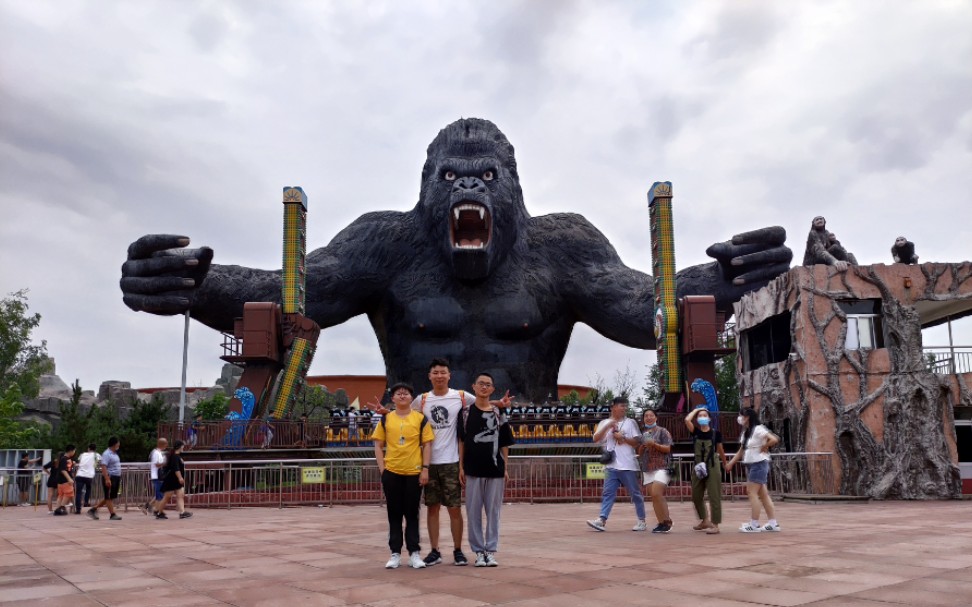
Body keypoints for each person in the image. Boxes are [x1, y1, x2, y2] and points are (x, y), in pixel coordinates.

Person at [372, 382, 434, 569]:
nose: (402, 396)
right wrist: (383, 469)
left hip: (414, 472)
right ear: (392, 398)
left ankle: (414, 553)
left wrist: (425, 469)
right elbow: (378, 444)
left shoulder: (420, 419)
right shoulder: (386, 419)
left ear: (411, 398)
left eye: (405, 393)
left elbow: (427, 445)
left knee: (412, 513)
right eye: (398, 393)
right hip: (392, 472)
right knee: (394, 514)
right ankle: (395, 553)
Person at [459, 373, 515, 567]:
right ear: (473, 387)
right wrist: (460, 466)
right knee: (473, 512)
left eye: (488, 384)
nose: (484, 387)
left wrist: (505, 467)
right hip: (473, 469)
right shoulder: (465, 412)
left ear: (492, 389)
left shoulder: (499, 413)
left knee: (493, 512)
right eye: (481, 384)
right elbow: (462, 441)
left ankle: (490, 550)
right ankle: (478, 552)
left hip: (495, 469)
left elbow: (505, 443)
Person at [586, 397, 647, 532]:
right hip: (610, 465)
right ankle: (602, 520)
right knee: (608, 492)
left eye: (625, 406)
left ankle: (641, 520)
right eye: (621, 405)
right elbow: (595, 438)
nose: (624, 408)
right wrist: (608, 426)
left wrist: (623, 438)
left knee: (635, 493)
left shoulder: (630, 423)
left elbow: (637, 442)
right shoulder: (604, 422)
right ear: (613, 407)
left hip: (628, 465)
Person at [727, 407, 781, 533]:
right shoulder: (746, 432)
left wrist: (765, 446)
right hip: (752, 464)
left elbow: (774, 439)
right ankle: (773, 523)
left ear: (748, 417)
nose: (740, 418)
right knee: (763, 495)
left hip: (759, 463)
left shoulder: (758, 429)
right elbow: (742, 450)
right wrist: (731, 463)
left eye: (742, 416)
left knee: (751, 492)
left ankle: (754, 524)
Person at [685, 407, 727, 534]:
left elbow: (720, 449)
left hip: (712, 466)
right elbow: (687, 420)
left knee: (714, 495)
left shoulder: (716, 433)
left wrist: (726, 463)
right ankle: (704, 520)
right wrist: (697, 410)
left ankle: (715, 524)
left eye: (704, 415)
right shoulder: (695, 432)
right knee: (696, 495)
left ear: (709, 419)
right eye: (700, 416)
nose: (702, 417)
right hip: (698, 466)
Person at [638, 409, 674, 533]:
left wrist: (654, 445)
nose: (648, 418)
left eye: (651, 415)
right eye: (646, 416)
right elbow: (640, 453)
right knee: (654, 497)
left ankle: (667, 521)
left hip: (662, 466)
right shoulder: (643, 435)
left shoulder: (663, 431)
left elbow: (668, 448)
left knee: (656, 493)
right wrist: (643, 446)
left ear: (656, 417)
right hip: (647, 468)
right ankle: (662, 522)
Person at [155, 440, 193, 519]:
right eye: (182, 446)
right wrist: (180, 477)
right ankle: (159, 512)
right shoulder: (175, 457)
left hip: (175, 480)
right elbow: (176, 469)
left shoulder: (177, 456)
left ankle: (182, 512)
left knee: (180, 495)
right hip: (171, 480)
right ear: (179, 447)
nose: (183, 447)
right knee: (167, 497)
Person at [88, 437, 122, 521]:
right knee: (108, 496)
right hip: (110, 476)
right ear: (114, 444)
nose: (119, 445)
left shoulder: (115, 453)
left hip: (116, 476)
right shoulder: (106, 454)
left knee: (110, 496)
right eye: (118, 443)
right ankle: (112, 514)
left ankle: (93, 509)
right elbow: (103, 466)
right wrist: (107, 479)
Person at [142, 437, 168, 514]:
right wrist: (165, 463)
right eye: (165, 444)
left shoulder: (158, 452)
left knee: (159, 494)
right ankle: (157, 510)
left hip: (158, 475)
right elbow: (156, 464)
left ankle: (149, 506)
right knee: (160, 494)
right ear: (162, 444)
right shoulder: (156, 453)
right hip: (157, 475)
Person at [74, 443, 100, 515]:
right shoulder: (96, 455)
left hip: (80, 474)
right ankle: (86, 502)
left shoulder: (82, 455)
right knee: (88, 488)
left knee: (78, 492)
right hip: (89, 475)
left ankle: (78, 509)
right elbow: (99, 462)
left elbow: (78, 462)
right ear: (95, 449)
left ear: (88, 448)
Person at [53, 445, 76, 516]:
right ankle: (61, 508)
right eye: (74, 451)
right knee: (69, 493)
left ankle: (58, 508)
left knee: (61, 495)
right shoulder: (64, 459)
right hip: (65, 479)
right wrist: (69, 478)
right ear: (71, 451)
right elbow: (63, 470)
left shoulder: (66, 459)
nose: (74, 452)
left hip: (61, 480)